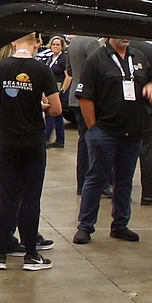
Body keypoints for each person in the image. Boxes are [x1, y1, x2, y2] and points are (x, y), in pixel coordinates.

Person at [0, 32, 61, 272]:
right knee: (31, 197)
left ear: (14, 42)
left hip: (7, 142)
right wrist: (37, 104)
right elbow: (56, 109)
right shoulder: (42, 70)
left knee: (7, 198)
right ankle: (31, 255)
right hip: (33, 142)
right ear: (36, 44)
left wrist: (7, 103)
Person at [72, 35, 152, 244]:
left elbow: (151, 78)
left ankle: (120, 224)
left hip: (132, 132)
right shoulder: (96, 60)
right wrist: (93, 129)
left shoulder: (138, 57)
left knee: (125, 179)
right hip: (105, 131)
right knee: (97, 178)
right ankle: (85, 226)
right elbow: (85, 96)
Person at [65, 33, 103, 195]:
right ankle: (93, 183)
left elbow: (69, 70)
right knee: (93, 142)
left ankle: (82, 183)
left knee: (83, 141)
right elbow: (97, 69)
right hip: (89, 97)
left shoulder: (73, 43)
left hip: (75, 96)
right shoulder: (92, 43)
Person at [129, 38, 152, 207]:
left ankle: (119, 191)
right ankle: (149, 195)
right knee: (148, 155)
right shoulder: (148, 49)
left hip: (123, 111)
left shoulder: (104, 49)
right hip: (145, 110)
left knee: (121, 155)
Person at [42, 35, 68, 148]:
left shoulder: (64, 59)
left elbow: (69, 76)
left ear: (62, 46)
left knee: (51, 113)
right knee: (58, 116)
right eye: (53, 44)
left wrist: (62, 90)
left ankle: (45, 139)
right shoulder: (50, 58)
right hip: (50, 88)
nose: (55, 46)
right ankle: (60, 140)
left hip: (58, 88)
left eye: (58, 44)